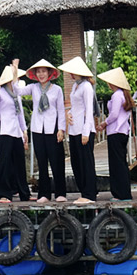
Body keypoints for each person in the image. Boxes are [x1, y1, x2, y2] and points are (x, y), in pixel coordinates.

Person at [13, 58, 67, 203]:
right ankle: (44, 194)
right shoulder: (33, 87)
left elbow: (61, 110)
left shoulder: (57, 89)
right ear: (35, 74)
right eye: (38, 72)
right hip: (38, 129)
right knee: (42, 163)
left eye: (44, 71)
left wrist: (61, 129)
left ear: (49, 73)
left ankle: (61, 193)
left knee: (57, 162)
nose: (41, 74)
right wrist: (15, 72)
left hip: (53, 128)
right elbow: (17, 90)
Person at [0, 64, 33, 203]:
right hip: (4, 131)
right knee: (5, 162)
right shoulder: (1, 92)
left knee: (20, 162)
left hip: (16, 132)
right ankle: (3, 193)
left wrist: (24, 131)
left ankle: (24, 193)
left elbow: (19, 114)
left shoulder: (17, 95)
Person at [57, 56, 97, 205]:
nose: (70, 74)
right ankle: (84, 191)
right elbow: (75, 106)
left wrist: (86, 132)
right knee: (76, 162)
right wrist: (69, 114)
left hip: (84, 129)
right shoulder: (75, 86)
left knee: (86, 162)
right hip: (74, 129)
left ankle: (89, 194)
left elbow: (89, 109)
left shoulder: (87, 86)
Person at [96, 67, 134, 201]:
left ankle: (120, 193)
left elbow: (114, 114)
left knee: (117, 163)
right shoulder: (123, 95)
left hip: (116, 131)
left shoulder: (117, 95)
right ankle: (124, 192)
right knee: (121, 162)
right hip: (122, 131)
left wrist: (104, 123)